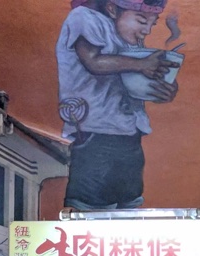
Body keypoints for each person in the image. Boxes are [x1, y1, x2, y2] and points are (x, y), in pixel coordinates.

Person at [56, 0, 178, 210]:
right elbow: (93, 62)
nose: (146, 31)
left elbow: (133, 83)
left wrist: (163, 89)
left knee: (129, 202)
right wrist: (141, 65)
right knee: (92, 205)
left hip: (130, 133)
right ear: (112, 9)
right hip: (95, 132)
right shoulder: (85, 17)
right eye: (141, 21)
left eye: (152, 24)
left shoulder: (127, 36)